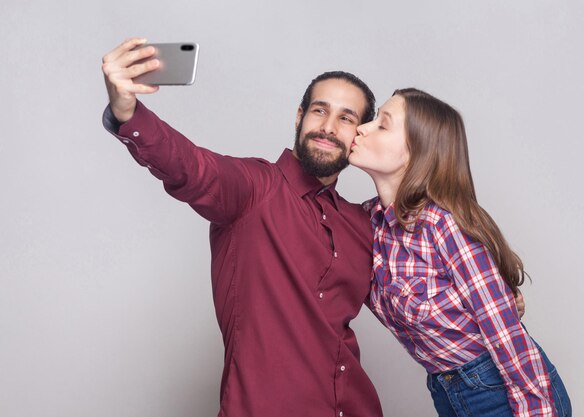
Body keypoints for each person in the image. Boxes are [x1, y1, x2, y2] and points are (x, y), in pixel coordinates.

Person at [101, 38, 383, 417]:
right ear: (299, 116)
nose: (328, 127)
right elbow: (191, 166)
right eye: (319, 111)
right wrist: (127, 113)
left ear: (359, 135)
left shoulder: (362, 224)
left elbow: (420, 309)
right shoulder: (254, 188)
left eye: (346, 118)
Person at [349, 88, 572, 417]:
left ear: (417, 152)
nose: (362, 128)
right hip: (447, 391)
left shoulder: (443, 225)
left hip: (502, 389)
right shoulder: (368, 223)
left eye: (382, 125)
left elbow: (504, 333)